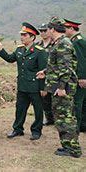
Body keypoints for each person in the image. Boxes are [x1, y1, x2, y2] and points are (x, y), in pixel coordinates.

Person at [0, 22, 47, 140]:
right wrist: (0, 49)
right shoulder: (19, 49)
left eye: (25, 35)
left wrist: (43, 88)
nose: (22, 37)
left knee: (38, 111)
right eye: (21, 34)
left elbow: (44, 71)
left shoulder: (40, 51)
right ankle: (18, 129)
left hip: (35, 87)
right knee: (20, 109)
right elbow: (10, 59)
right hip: (22, 86)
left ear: (32, 37)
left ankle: (36, 131)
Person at [38, 17, 82, 158]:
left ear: (52, 29)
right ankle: (67, 145)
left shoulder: (63, 44)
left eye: (47, 29)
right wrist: (45, 72)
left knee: (66, 119)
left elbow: (66, 68)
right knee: (61, 118)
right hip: (57, 86)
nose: (46, 32)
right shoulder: (58, 43)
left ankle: (73, 149)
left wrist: (62, 87)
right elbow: (57, 65)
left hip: (62, 88)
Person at [64, 18, 86, 132]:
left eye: (66, 29)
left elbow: (81, 61)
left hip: (79, 78)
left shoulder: (77, 42)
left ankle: (76, 128)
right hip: (80, 77)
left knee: (77, 103)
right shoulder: (78, 40)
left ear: (71, 29)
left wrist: (82, 77)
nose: (64, 31)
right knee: (83, 102)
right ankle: (83, 125)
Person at [36, 23, 55, 126]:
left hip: (53, 74)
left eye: (45, 30)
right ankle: (49, 118)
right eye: (41, 31)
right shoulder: (38, 45)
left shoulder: (55, 44)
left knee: (55, 98)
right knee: (44, 98)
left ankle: (56, 118)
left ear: (50, 31)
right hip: (41, 74)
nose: (42, 33)